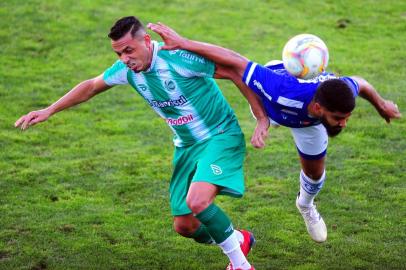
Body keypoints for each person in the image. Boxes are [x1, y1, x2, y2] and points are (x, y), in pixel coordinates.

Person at [14, 16, 267, 270]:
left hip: (219, 136)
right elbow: (91, 86)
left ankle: (241, 265)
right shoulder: (125, 70)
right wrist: (50, 110)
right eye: (118, 53)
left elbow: (236, 69)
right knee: (185, 226)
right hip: (186, 146)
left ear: (146, 40)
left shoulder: (178, 58)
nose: (124, 58)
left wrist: (260, 117)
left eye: (128, 50)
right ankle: (237, 238)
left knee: (198, 201)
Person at [147, 22, 402, 243]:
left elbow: (362, 82)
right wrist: (183, 43)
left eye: (347, 117)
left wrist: (381, 106)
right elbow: (234, 60)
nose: (343, 124)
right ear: (317, 106)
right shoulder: (280, 89)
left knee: (315, 174)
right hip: (272, 106)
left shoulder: (340, 89)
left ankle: (305, 205)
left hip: (306, 124)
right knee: (241, 78)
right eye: (338, 118)